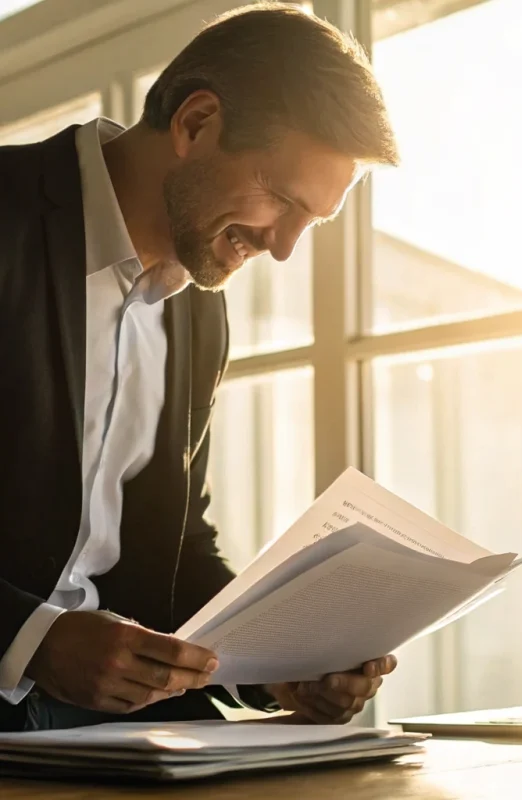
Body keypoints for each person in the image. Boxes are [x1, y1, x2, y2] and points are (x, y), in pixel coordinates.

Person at [0, 2, 400, 732]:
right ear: (196, 123)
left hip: (122, 733)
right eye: (281, 199)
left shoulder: (199, 309)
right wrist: (34, 640)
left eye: (311, 222)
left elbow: (176, 546)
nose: (283, 248)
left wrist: (279, 662)